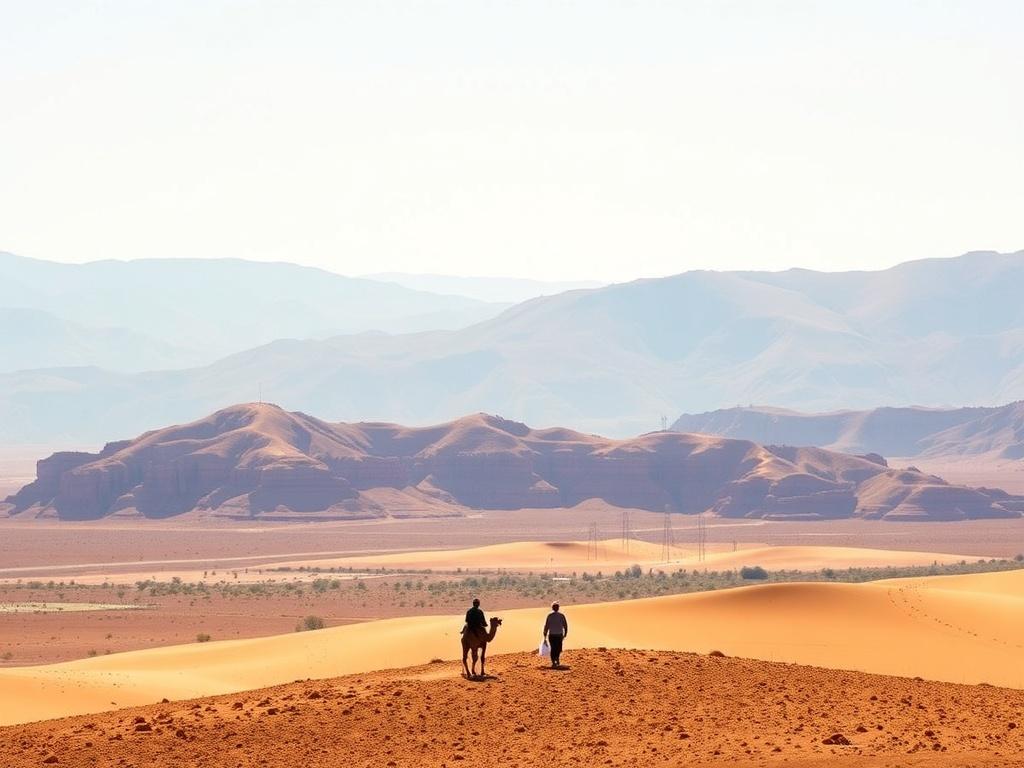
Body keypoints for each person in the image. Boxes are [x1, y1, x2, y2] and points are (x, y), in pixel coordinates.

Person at [542, 601, 568, 667]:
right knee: (556, 648)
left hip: (555, 635)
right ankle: (554, 661)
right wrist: (565, 633)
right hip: (556, 635)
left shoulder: (558, 615)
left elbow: (546, 626)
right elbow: (565, 625)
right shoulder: (555, 615)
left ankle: (555, 660)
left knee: (555, 648)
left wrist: (545, 634)